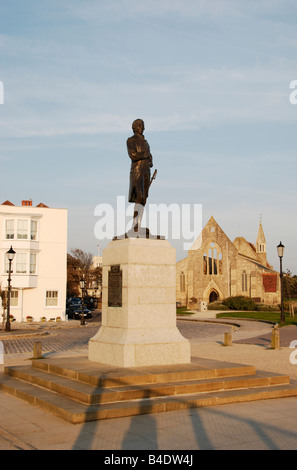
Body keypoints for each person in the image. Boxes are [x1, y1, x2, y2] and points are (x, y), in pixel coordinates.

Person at [127, 119, 153, 230]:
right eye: (141, 125)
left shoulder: (146, 142)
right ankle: (135, 224)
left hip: (146, 170)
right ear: (135, 127)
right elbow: (133, 155)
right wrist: (145, 154)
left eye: (143, 125)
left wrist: (150, 159)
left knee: (144, 199)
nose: (143, 128)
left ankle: (139, 224)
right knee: (140, 196)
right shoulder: (131, 140)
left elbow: (150, 159)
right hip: (137, 171)